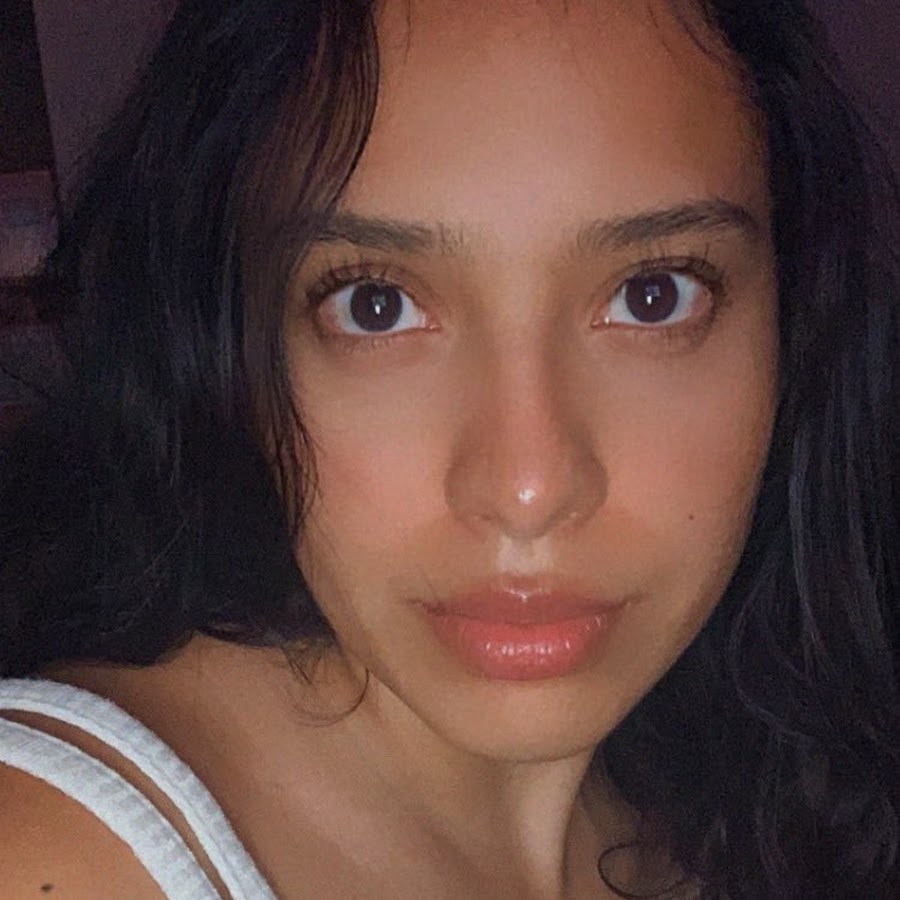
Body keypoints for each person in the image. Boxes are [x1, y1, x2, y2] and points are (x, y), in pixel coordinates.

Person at [0, 0, 897, 897]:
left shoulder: (751, 792)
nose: (528, 489)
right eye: (377, 306)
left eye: (653, 296)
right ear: (235, 347)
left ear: (793, 322)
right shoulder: (56, 859)